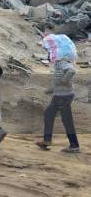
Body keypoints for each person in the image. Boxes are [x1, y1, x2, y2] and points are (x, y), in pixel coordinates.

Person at [36, 25, 80, 153]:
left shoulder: (62, 61)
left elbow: (71, 71)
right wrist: (50, 89)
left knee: (54, 116)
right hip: (62, 95)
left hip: (63, 96)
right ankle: (54, 142)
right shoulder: (60, 62)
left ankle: (72, 145)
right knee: (57, 117)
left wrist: (63, 82)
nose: (49, 53)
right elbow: (58, 79)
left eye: (49, 51)